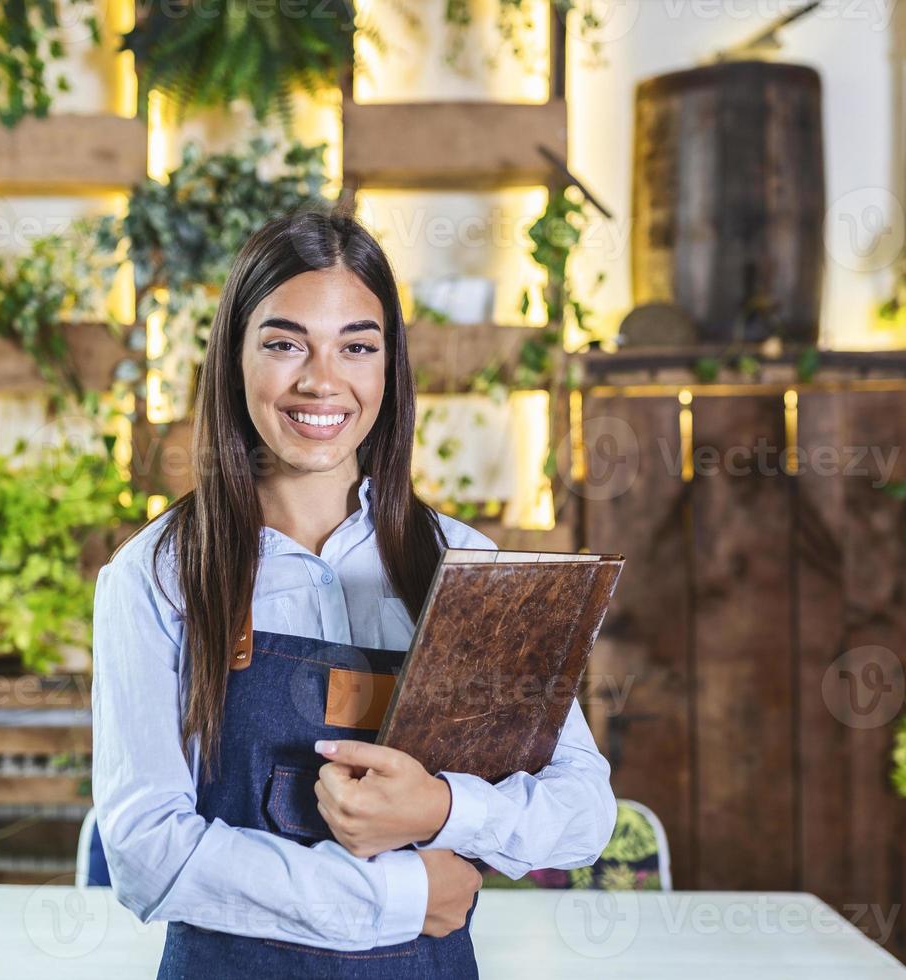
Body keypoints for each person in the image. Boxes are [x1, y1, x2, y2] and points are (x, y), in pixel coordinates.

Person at [91, 207, 617, 978]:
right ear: (233, 359)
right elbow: (146, 852)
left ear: (388, 367)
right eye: (283, 343)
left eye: (356, 347)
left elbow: (583, 812)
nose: (321, 381)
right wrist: (402, 896)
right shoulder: (159, 575)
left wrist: (441, 808)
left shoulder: (463, 564)